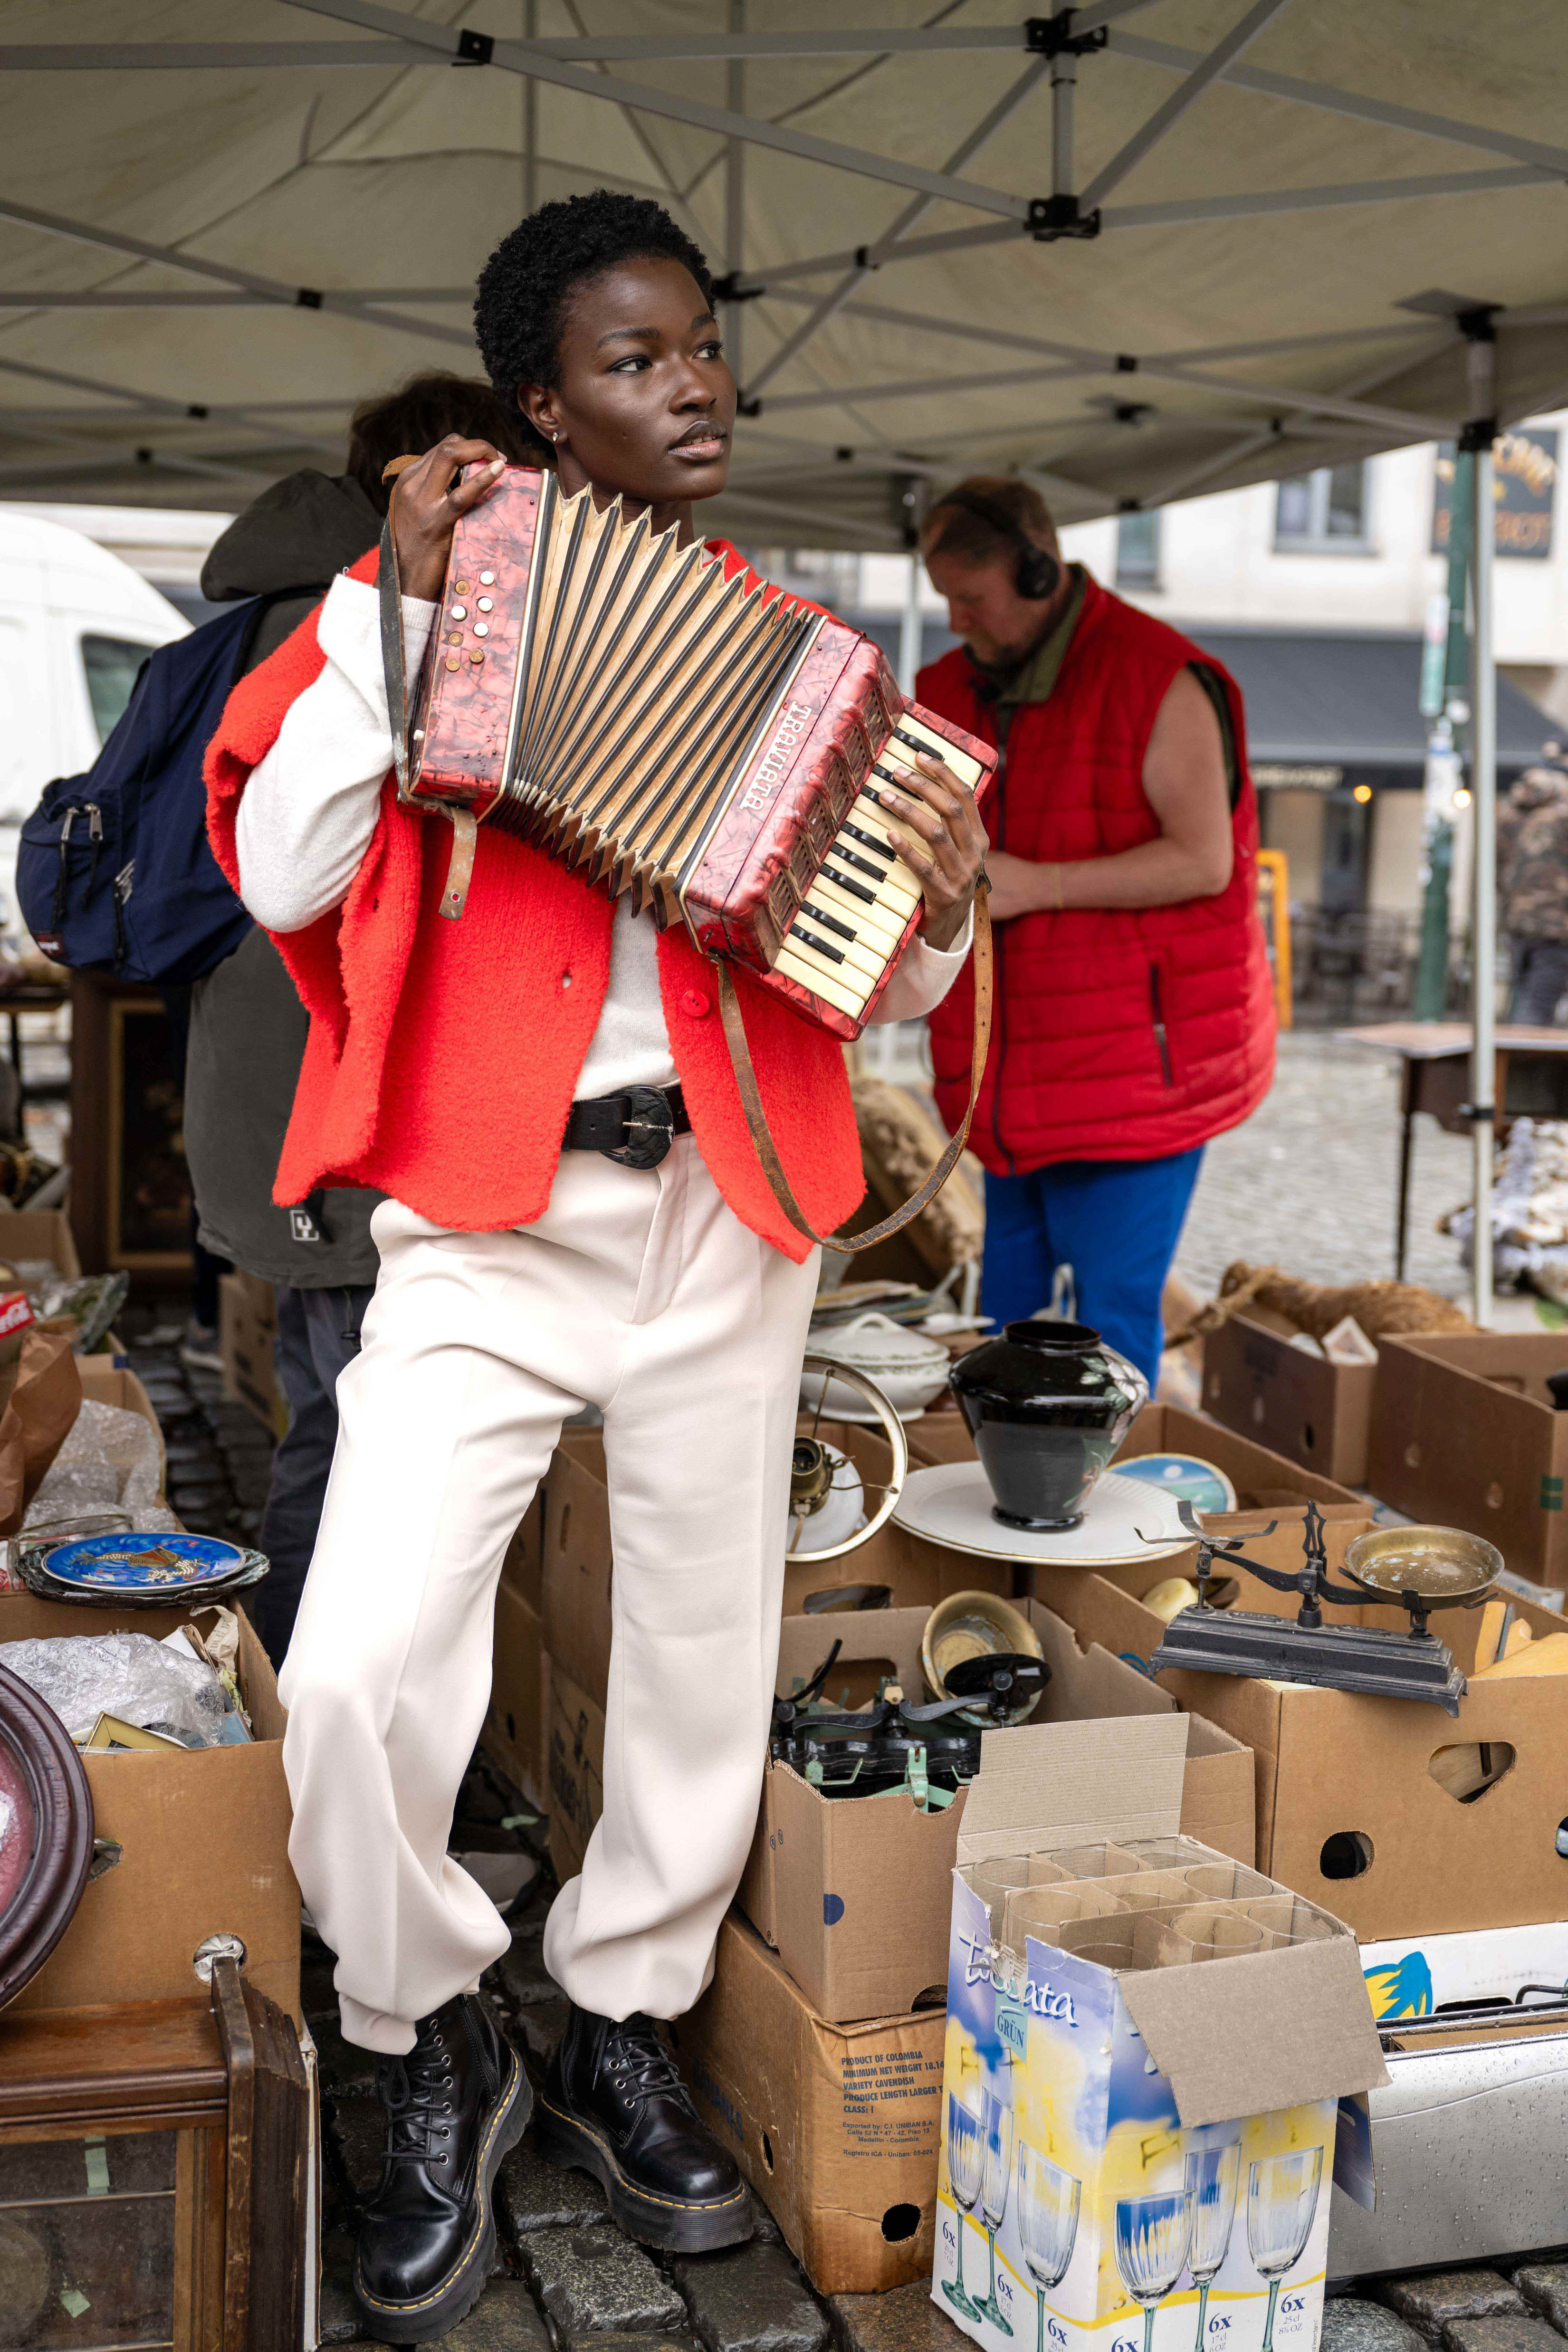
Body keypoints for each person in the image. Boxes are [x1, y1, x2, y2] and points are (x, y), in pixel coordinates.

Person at [204, 190, 985, 2341]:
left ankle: (624, 2009)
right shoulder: (409, 596)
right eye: (637, 360)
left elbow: (882, 980)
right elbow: (276, 862)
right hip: (487, 1214)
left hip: (730, 1207)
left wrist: (936, 899)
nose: (695, 384)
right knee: (359, 1663)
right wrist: (394, 617)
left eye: (703, 344)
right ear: (541, 407)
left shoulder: (803, 660)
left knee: (701, 1661)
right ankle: (419, 2018)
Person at [184, 374, 531, 1666]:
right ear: (411, 483)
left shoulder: (260, 616)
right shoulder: (353, 633)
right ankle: (294, 1714)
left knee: (337, 1417)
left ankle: (303, 1709)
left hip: (286, 1096)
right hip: (335, 1103)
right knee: (349, 1435)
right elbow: (299, 879)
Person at [916, 478, 1275, 1386]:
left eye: (972, 598)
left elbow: (1205, 861)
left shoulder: (1161, 678)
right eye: (944, 598)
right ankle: (1008, 1471)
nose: (956, 621)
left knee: (1112, 1332)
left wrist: (1039, 885)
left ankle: (1113, 1478)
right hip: (1003, 1073)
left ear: (1039, 571)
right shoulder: (944, 687)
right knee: (1007, 1325)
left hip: (1134, 1076)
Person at [1498, 745, 1568, 1025]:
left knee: (1526, 996)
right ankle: (1521, 1052)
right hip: (1557, 925)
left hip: (1518, 920)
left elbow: (1498, 867)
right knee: (1538, 1004)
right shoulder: (1563, 814)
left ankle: (1511, 1048)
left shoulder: (1512, 811)